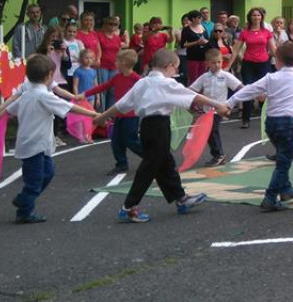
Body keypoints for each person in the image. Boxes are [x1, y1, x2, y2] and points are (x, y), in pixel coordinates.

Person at [95, 49, 228, 222]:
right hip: (159, 127)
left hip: (146, 127)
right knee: (150, 167)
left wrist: (102, 117)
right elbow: (193, 96)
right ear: (169, 66)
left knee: (165, 163)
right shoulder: (166, 84)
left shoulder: (142, 83)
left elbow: (121, 105)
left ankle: (181, 199)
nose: (175, 73)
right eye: (175, 69)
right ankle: (128, 206)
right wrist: (218, 105)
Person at [0, 54, 100, 223]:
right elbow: (70, 107)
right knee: (35, 179)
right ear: (49, 76)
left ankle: (24, 199)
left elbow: (9, 110)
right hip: (33, 145)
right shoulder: (43, 96)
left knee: (48, 172)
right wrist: (95, 114)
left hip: (37, 144)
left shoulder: (28, 93)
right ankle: (24, 209)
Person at [227, 43, 293, 212]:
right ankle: (270, 197)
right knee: (284, 161)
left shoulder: (270, 78)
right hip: (288, 124)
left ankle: (286, 189)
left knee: (282, 155)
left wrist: (229, 103)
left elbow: (249, 90)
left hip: (271, 123)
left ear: (277, 61)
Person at [78, 50, 143, 175]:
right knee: (116, 141)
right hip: (119, 115)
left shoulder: (136, 79)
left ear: (123, 63)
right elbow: (103, 86)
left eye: (117, 61)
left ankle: (151, 159)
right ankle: (121, 164)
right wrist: (85, 94)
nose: (115, 63)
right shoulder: (117, 77)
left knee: (131, 140)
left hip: (131, 116)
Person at [189, 49, 243, 167]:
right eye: (213, 62)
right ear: (207, 63)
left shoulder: (225, 76)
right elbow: (192, 90)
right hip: (206, 111)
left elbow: (239, 87)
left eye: (219, 62)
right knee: (208, 132)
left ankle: (218, 154)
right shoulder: (204, 77)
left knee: (212, 130)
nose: (217, 65)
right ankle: (217, 154)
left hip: (219, 110)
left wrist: (231, 103)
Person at [229, 8, 275, 129]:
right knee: (248, 89)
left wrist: (284, 64)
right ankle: (246, 119)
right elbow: (235, 50)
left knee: (265, 91)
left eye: (258, 15)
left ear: (261, 17)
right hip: (248, 64)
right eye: (254, 15)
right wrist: (228, 65)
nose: (256, 17)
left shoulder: (266, 32)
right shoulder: (245, 32)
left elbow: (273, 49)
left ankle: (269, 118)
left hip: (263, 63)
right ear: (250, 17)